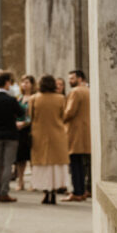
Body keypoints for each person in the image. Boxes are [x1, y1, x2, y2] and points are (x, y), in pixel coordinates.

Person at [0, 70, 27, 202]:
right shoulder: (11, 100)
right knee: (8, 164)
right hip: (11, 134)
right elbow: (21, 112)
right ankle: (4, 191)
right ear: (7, 83)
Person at [29, 74, 70, 205]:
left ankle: (46, 192)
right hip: (57, 134)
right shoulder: (61, 98)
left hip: (39, 135)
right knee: (55, 165)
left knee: (43, 165)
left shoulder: (34, 98)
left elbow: (31, 116)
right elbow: (64, 115)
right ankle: (53, 192)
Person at [63, 69, 92, 201]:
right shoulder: (89, 90)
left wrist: (59, 120)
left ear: (80, 78)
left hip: (76, 132)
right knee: (85, 164)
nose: (70, 81)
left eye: (72, 78)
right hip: (87, 132)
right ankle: (85, 190)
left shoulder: (75, 92)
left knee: (75, 164)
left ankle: (77, 192)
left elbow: (69, 112)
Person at [15, 75, 36, 191]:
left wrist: (24, 123)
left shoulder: (34, 97)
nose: (24, 84)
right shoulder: (19, 97)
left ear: (32, 84)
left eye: (27, 82)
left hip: (29, 129)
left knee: (31, 157)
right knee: (20, 157)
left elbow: (33, 115)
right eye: (23, 82)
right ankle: (20, 180)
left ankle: (33, 182)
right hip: (19, 130)